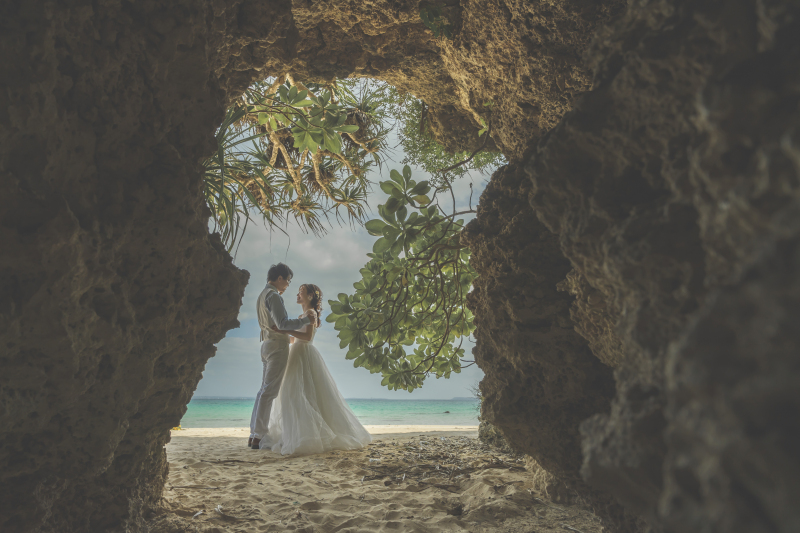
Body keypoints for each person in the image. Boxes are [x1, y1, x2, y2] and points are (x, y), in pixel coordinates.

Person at [265, 283, 372, 455]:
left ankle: (310, 436)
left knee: (303, 394)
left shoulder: (310, 313)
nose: (298, 295)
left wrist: (285, 330)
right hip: (297, 353)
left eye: (301, 293)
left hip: (304, 354)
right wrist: (281, 334)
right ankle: (299, 433)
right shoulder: (303, 314)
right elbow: (295, 339)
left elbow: (306, 337)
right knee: (295, 394)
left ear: (310, 297)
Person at [248, 263, 311, 450]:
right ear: (280, 278)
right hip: (276, 345)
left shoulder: (261, 295)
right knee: (269, 392)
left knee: (263, 391)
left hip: (266, 344)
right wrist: (307, 320)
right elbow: (282, 323)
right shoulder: (273, 295)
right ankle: (258, 435)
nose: (288, 285)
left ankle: (254, 434)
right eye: (288, 281)